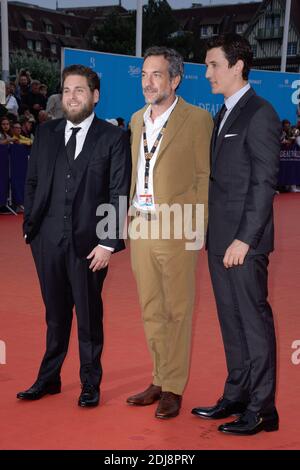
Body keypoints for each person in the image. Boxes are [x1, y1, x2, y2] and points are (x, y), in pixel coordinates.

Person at [17, 65, 131, 407]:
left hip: (90, 245)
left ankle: (89, 382)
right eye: (67, 90)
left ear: (95, 96)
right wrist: (30, 229)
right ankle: (49, 378)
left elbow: (118, 193)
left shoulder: (112, 138)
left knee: (88, 315)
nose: (72, 96)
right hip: (46, 240)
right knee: (54, 314)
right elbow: (33, 182)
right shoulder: (46, 133)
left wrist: (108, 243)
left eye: (79, 90)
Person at [191, 33, 281, 435]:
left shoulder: (260, 112)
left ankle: (263, 410)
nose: (207, 72)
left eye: (213, 65)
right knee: (231, 321)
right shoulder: (223, 113)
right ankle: (238, 394)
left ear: (237, 65)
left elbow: (264, 183)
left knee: (253, 322)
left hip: (244, 241)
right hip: (219, 238)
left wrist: (244, 239)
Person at [127, 47, 213, 419]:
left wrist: (195, 227)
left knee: (178, 310)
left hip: (178, 227)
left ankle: (174, 387)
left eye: (157, 75)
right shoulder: (135, 120)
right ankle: (159, 377)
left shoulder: (196, 119)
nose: (148, 82)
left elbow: (202, 177)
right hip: (141, 226)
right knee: (151, 309)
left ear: (175, 80)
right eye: (145, 74)